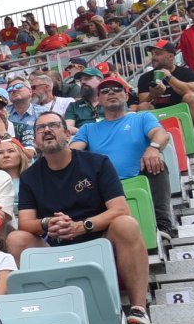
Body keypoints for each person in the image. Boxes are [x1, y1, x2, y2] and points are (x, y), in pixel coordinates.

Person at [17, 111, 151, 324]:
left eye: (53, 125)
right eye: (40, 128)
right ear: (35, 140)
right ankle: (36, 312)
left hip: (99, 237)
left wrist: (82, 226)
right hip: (56, 242)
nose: (47, 130)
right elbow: (24, 222)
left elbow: (120, 209)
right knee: (17, 239)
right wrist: (47, 223)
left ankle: (138, 307)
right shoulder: (29, 177)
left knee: (126, 224)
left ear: (67, 134)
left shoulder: (97, 163)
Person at [72, 74, 174, 236]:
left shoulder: (142, 118)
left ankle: (163, 224)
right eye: (105, 91)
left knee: (156, 164)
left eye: (117, 89)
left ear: (126, 96)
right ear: (98, 99)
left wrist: (153, 148)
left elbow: (161, 134)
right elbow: (72, 153)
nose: (111, 93)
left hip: (141, 174)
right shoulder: (88, 129)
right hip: (104, 186)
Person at [139, 38, 194, 148]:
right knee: (143, 106)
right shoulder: (144, 78)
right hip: (158, 111)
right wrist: (153, 95)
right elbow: (142, 100)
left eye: (157, 54)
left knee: (191, 97)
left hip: (181, 107)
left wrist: (169, 78)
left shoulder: (186, 72)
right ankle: (150, 146)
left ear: (171, 56)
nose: (153, 57)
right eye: (152, 54)